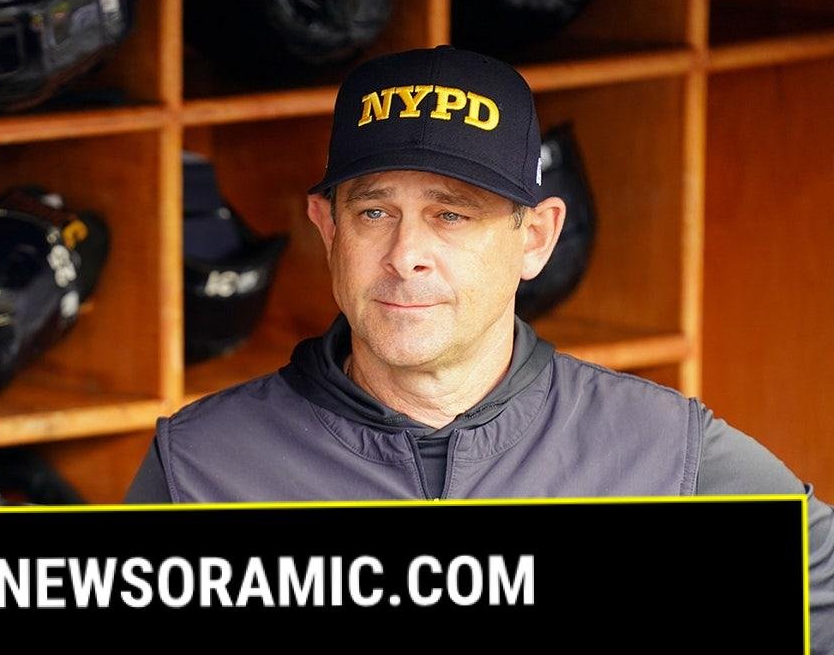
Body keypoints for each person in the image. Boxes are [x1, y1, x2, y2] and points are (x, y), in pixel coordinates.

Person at [123, 46, 833, 644]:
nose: (406, 255)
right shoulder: (200, 469)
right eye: (375, 211)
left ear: (536, 238)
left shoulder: (666, 455)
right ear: (328, 227)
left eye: (451, 215)